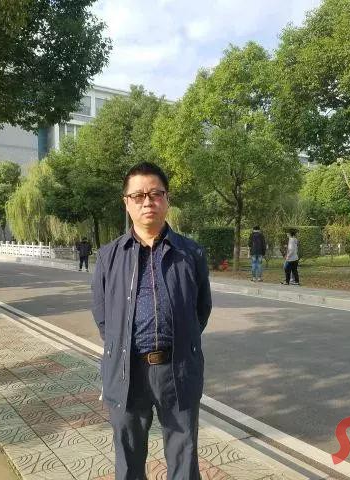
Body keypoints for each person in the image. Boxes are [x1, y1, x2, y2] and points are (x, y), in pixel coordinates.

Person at [91, 162, 212, 479]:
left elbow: (201, 309)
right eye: (139, 195)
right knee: (128, 458)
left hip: (178, 369)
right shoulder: (109, 256)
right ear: (126, 203)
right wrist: (122, 346)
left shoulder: (190, 253)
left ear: (167, 199)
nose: (148, 202)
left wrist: (181, 343)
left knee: (184, 457)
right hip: (127, 371)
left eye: (156, 194)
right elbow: (102, 316)